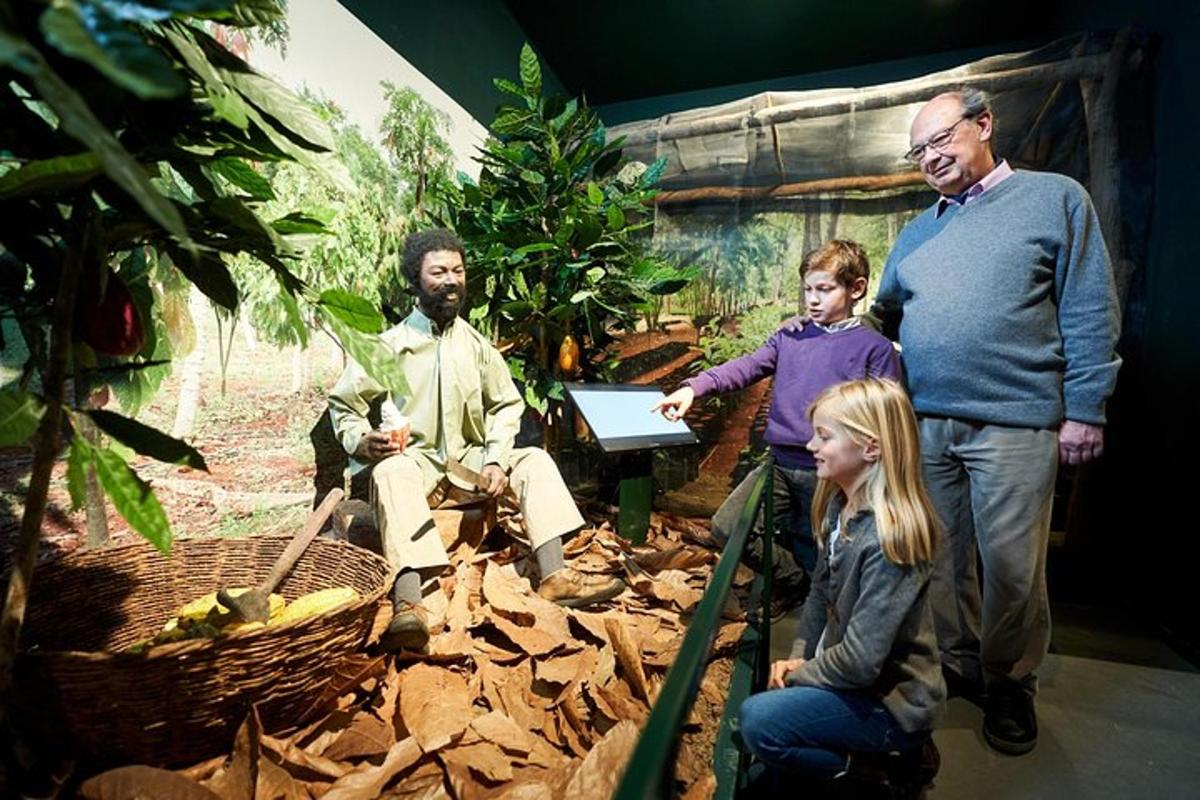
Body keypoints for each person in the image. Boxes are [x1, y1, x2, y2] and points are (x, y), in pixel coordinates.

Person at [873, 88, 1121, 754]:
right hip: (928, 424)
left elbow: (1090, 308)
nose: (930, 157)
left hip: (1016, 423)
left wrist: (1086, 409)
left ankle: (1010, 680)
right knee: (941, 557)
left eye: (941, 139)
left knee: (1012, 565)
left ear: (983, 124)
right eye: (918, 149)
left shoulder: (1054, 198)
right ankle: (958, 663)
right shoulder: (919, 230)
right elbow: (886, 310)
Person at [328, 229, 624, 653]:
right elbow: (345, 405)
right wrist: (362, 440)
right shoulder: (389, 346)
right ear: (415, 279)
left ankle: (555, 575)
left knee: (535, 462)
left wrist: (496, 460)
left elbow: (506, 405)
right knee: (391, 470)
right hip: (416, 467)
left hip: (470, 468)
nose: (451, 281)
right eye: (438, 272)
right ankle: (408, 603)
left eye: (458, 271)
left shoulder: (476, 346)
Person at [653, 240, 900, 611]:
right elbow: (748, 366)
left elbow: (888, 417)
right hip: (780, 465)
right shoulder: (791, 336)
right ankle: (794, 582)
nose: (813, 300)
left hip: (836, 474)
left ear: (857, 289)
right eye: (808, 290)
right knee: (728, 526)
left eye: (825, 289)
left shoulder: (874, 349)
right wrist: (694, 388)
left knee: (831, 550)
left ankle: (826, 623)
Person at [738, 378, 945, 799]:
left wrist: (802, 675)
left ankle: (880, 774)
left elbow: (862, 663)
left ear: (871, 448)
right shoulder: (839, 503)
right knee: (773, 716)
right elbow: (819, 595)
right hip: (853, 679)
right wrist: (799, 656)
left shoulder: (891, 540)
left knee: (758, 722)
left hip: (893, 702)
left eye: (824, 436)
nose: (810, 445)